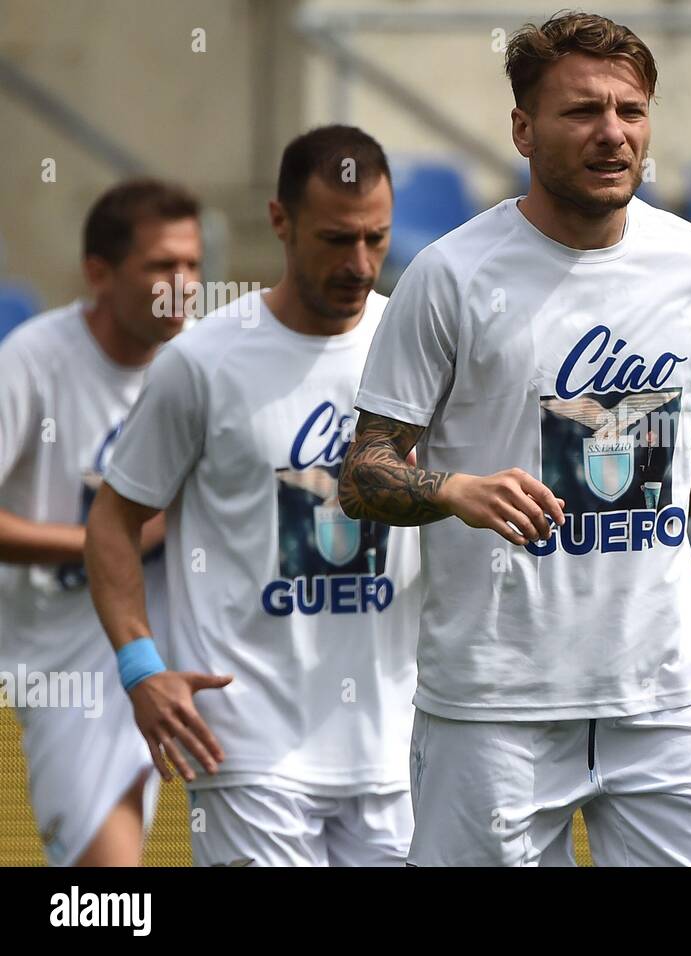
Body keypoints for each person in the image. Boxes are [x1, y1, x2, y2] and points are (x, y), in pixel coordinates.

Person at [338, 11, 691, 867]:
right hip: (494, 709)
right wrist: (456, 491)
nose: (613, 133)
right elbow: (365, 472)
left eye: (631, 110)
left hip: (669, 698)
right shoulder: (450, 277)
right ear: (523, 129)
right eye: (582, 112)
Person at [85, 126, 420, 866]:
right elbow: (113, 519)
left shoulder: (417, 345)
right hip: (248, 749)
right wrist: (141, 667)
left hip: (398, 748)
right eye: (336, 239)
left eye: (376, 238)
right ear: (280, 221)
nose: (359, 265)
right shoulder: (203, 361)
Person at [0, 179, 201, 865]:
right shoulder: (31, 360)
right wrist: (100, 543)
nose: (183, 284)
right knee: (104, 892)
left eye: (193, 265)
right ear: (98, 273)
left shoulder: (202, 361)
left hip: (197, 645)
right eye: (160, 266)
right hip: (71, 668)